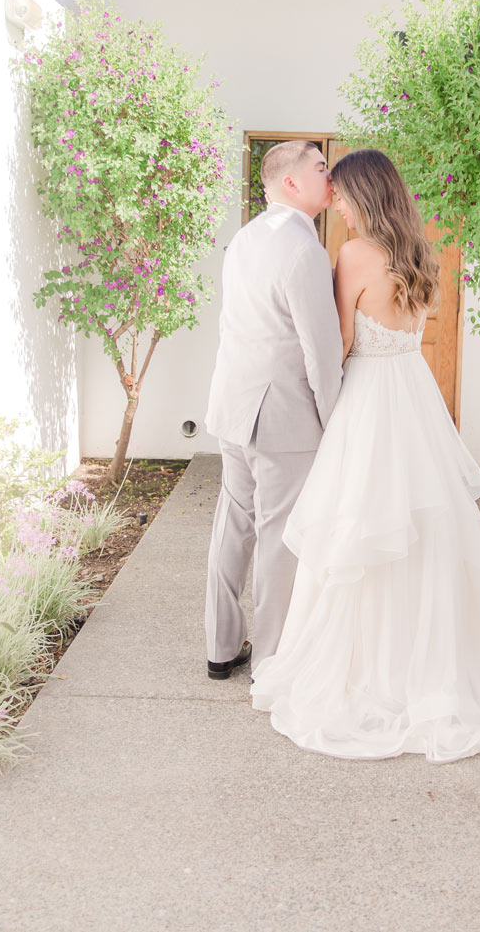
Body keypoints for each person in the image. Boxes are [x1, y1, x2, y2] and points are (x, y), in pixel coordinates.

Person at [250, 148, 480, 762]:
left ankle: (379, 670)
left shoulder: (352, 256)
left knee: (364, 525)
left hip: (371, 401)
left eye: (343, 196)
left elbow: (340, 342)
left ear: (365, 197)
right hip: (416, 396)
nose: (337, 205)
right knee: (426, 528)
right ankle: (435, 660)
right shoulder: (421, 255)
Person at [204, 140, 343, 679]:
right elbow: (320, 350)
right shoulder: (304, 249)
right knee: (280, 537)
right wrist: (335, 421)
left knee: (232, 525)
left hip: (232, 405)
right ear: (290, 183)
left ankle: (220, 649)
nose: (328, 176)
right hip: (282, 415)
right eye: (320, 167)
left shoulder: (243, 239)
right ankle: (271, 663)